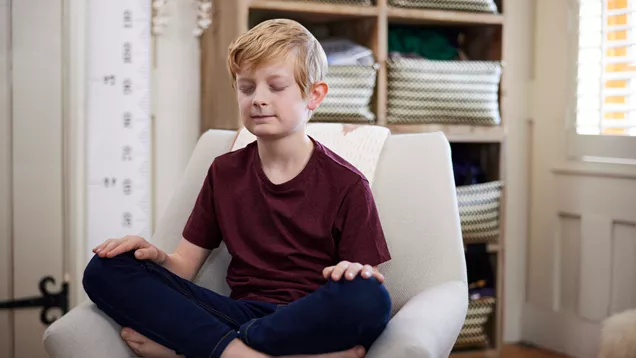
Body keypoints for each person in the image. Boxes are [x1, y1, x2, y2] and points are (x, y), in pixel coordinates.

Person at [83, 18, 392, 358]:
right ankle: (241, 354)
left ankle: (201, 349)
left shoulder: (347, 183)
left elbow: (367, 277)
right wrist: (156, 257)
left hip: (307, 318)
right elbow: (184, 266)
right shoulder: (224, 171)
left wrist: (352, 273)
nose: (258, 99)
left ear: (314, 95)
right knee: (105, 269)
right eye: (246, 88)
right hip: (237, 314)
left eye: (276, 87)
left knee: (370, 297)